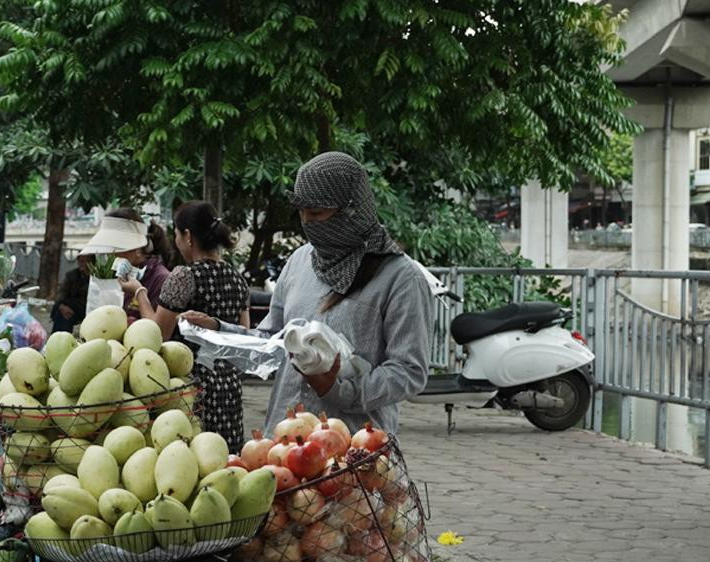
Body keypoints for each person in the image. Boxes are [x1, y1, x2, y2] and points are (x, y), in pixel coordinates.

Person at [190, 152, 433, 436]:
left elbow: (408, 371)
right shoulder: (299, 261)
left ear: (352, 210)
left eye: (316, 213)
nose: (307, 222)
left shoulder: (401, 278)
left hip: (351, 452)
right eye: (302, 212)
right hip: (283, 442)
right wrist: (220, 331)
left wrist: (337, 390)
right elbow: (273, 341)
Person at [121, 200, 249, 450]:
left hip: (191, 389)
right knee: (226, 463)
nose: (177, 242)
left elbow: (156, 336)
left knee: (192, 462)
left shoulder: (184, 276)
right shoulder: (237, 279)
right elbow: (242, 337)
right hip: (229, 390)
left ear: (188, 236)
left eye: (177, 235)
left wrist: (140, 294)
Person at [51, 254, 93, 334]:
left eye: (84, 261)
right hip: (72, 306)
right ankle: (57, 338)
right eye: (80, 261)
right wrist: (61, 306)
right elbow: (62, 293)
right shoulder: (72, 275)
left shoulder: (96, 276)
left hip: (87, 307)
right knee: (62, 314)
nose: (81, 264)